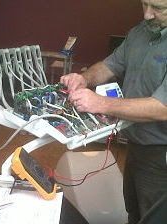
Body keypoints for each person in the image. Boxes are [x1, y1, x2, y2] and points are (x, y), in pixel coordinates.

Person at [60, 0, 167, 223]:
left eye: (158, 8)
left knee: (154, 216)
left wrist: (100, 103)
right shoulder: (141, 32)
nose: (147, 15)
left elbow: (162, 108)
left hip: (161, 152)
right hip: (137, 143)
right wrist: (84, 78)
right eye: (144, 4)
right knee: (134, 209)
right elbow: (111, 65)